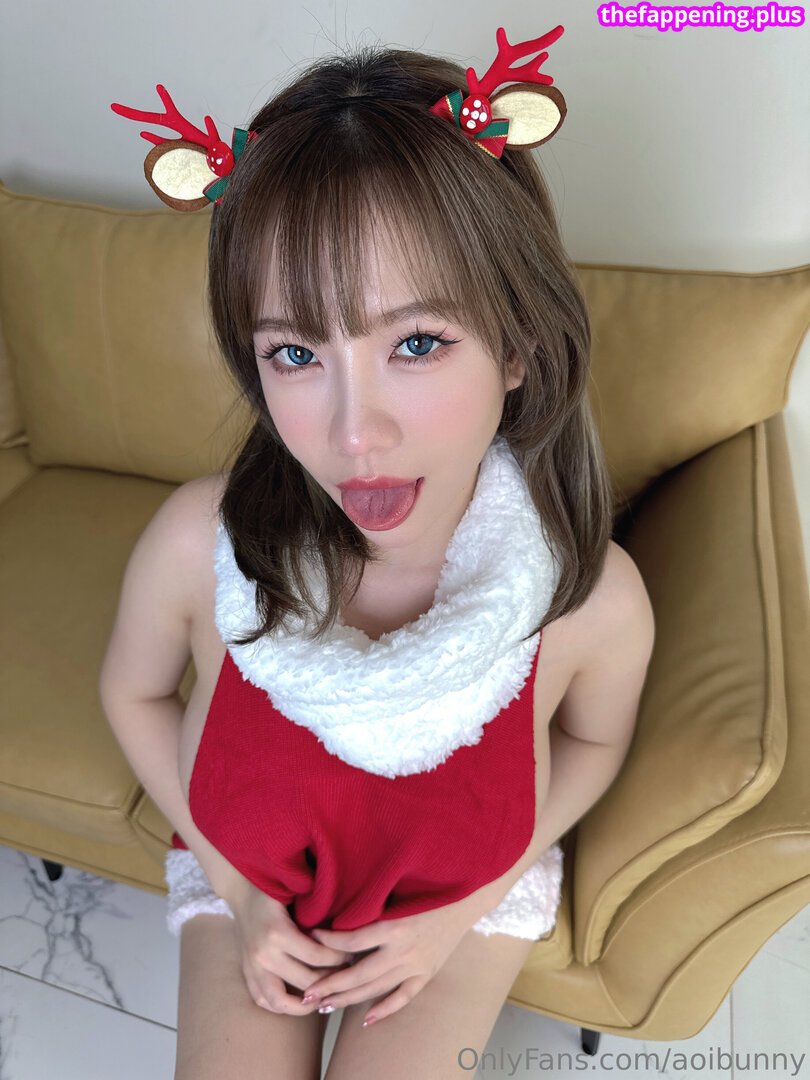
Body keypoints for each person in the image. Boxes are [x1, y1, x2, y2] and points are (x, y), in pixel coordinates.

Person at [105, 25, 655, 1080]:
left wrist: (460, 913)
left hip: (455, 901)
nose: (355, 434)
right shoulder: (196, 546)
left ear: (517, 348)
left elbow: (594, 746)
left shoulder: (589, 602)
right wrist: (241, 893)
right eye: (296, 352)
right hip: (252, 879)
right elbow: (132, 694)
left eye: (416, 342)